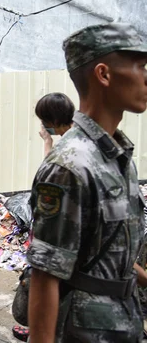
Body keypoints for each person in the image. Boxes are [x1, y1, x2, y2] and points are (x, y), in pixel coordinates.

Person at [27, 23, 147, 343]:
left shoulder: (117, 155)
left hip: (125, 319)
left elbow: (107, 250)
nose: (146, 75)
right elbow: (45, 274)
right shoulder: (70, 166)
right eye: (140, 66)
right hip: (88, 329)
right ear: (104, 75)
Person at [12, 92, 76, 342]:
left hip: (59, 235)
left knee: (47, 282)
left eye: (42, 120)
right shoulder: (69, 138)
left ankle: (40, 329)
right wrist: (47, 141)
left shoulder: (71, 146)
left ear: (50, 119)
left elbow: (49, 176)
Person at [35, 93, 75, 157]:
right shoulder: (74, 133)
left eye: (44, 120)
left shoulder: (71, 144)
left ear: (55, 121)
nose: (42, 124)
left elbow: (49, 166)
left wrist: (47, 141)